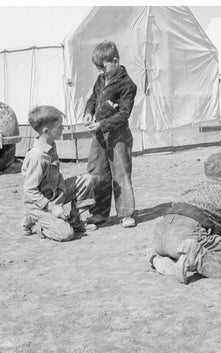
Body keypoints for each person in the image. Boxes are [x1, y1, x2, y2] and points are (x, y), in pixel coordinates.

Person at [149, 153, 221, 284]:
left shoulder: (194, 185)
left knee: (194, 242)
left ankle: (158, 259)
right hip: (185, 236)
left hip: (159, 234)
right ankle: (194, 261)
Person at [20, 106, 97, 242]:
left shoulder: (51, 145)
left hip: (55, 193)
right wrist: (52, 207)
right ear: (46, 131)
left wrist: (61, 192)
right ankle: (35, 220)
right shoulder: (37, 156)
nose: (63, 128)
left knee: (86, 180)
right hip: (40, 203)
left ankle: (75, 220)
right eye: (60, 126)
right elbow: (30, 189)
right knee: (66, 234)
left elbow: (57, 174)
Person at [84, 41, 138, 228]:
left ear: (115, 61)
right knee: (97, 172)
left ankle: (125, 213)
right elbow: (92, 99)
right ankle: (99, 213)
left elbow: (124, 114)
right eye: (98, 67)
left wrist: (102, 124)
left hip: (118, 136)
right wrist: (88, 112)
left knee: (121, 173)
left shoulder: (127, 85)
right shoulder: (100, 80)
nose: (101, 70)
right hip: (99, 136)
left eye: (103, 66)